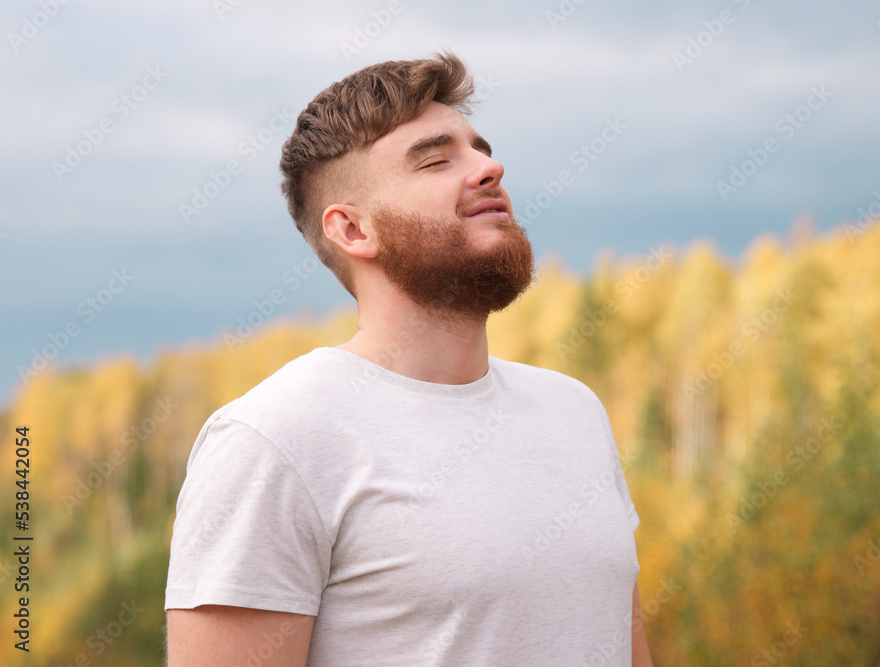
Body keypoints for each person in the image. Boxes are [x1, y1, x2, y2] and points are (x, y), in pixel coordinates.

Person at [164, 52, 653, 666]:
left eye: (480, 149)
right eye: (435, 159)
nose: (489, 167)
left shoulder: (574, 411)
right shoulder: (274, 440)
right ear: (352, 230)